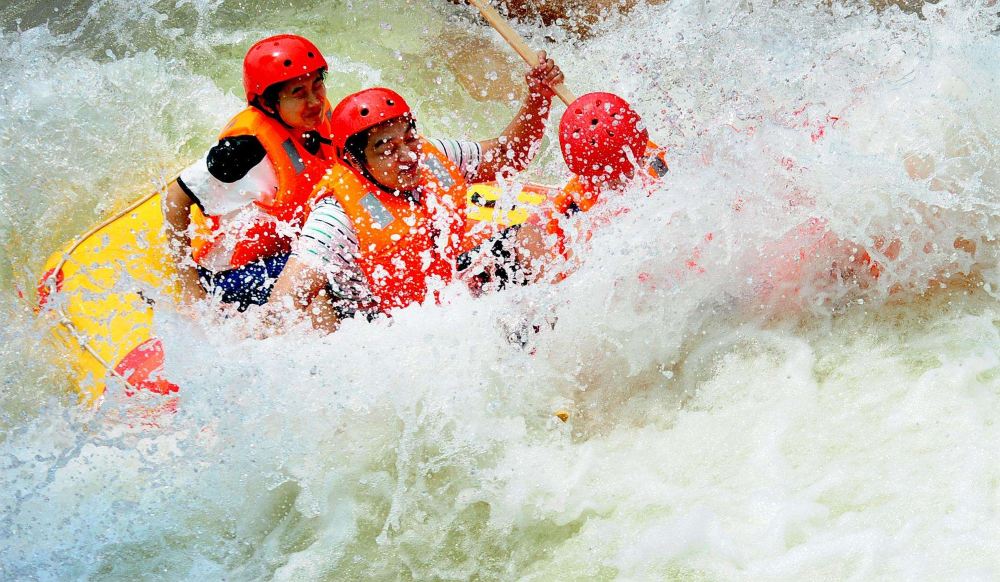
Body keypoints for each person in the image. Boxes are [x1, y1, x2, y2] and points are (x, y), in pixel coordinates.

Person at [265, 52, 565, 332]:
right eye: (387, 149)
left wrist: (538, 98)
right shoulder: (335, 218)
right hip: (388, 325)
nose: (408, 156)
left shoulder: (430, 156)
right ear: (355, 161)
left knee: (529, 237)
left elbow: (509, 156)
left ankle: (552, 334)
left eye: (409, 139)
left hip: (441, 289)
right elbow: (284, 304)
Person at [163, 34, 335, 310]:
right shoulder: (245, 150)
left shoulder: (316, 118)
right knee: (325, 280)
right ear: (269, 104)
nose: (314, 101)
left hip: (286, 251)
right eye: (299, 93)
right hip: (231, 274)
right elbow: (175, 197)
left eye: (318, 85)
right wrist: (189, 286)